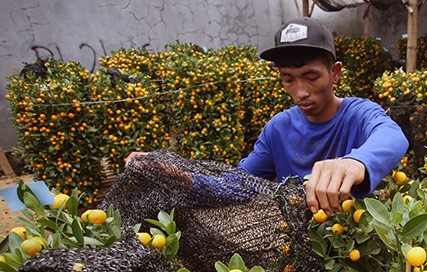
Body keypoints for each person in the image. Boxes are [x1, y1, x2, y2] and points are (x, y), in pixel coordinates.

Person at [126, 17, 408, 214]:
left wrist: (355, 163)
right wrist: (176, 174)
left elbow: (393, 136)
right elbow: (237, 183)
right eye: (288, 79)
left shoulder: (358, 114)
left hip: (351, 246)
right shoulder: (278, 129)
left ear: (334, 72)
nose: (300, 92)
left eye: (311, 77)